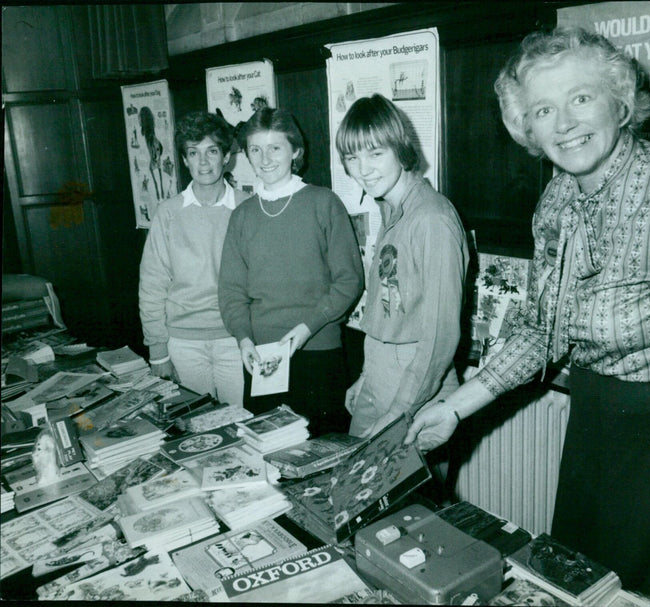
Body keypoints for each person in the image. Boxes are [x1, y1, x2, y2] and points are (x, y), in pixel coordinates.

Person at [404, 28, 650, 605]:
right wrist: (452, 406)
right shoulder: (557, 199)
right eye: (544, 109)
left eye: (581, 97)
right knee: (574, 586)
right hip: (596, 425)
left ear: (619, 102)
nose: (564, 123)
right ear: (527, 127)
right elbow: (539, 329)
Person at [218, 107, 363, 436]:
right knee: (269, 454)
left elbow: (349, 280)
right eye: (255, 149)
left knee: (322, 454)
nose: (265, 159)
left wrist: (306, 327)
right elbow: (230, 291)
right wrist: (243, 339)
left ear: (295, 151)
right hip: (262, 355)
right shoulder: (242, 216)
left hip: (317, 350)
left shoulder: (323, 203)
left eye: (275, 148)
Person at [335, 94, 469, 438]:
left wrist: (399, 412)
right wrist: (367, 377)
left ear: (400, 149)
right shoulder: (391, 209)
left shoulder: (432, 218)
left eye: (376, 153)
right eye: (352, 157)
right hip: (380, 376)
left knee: (407, 493)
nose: (363, 169)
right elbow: (390, 310)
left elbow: (440, 336)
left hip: (418, 389)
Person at [139, 111, 249, 406]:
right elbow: (152, 287)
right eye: (193, 153)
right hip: (184, 343)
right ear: (185, 160)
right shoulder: (169, 213)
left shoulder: (247, 208)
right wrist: (158, 351)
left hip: (237, 340)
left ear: (227, 156)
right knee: (197, 427)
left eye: (211, 151)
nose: (203, 162)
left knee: (239, 423)